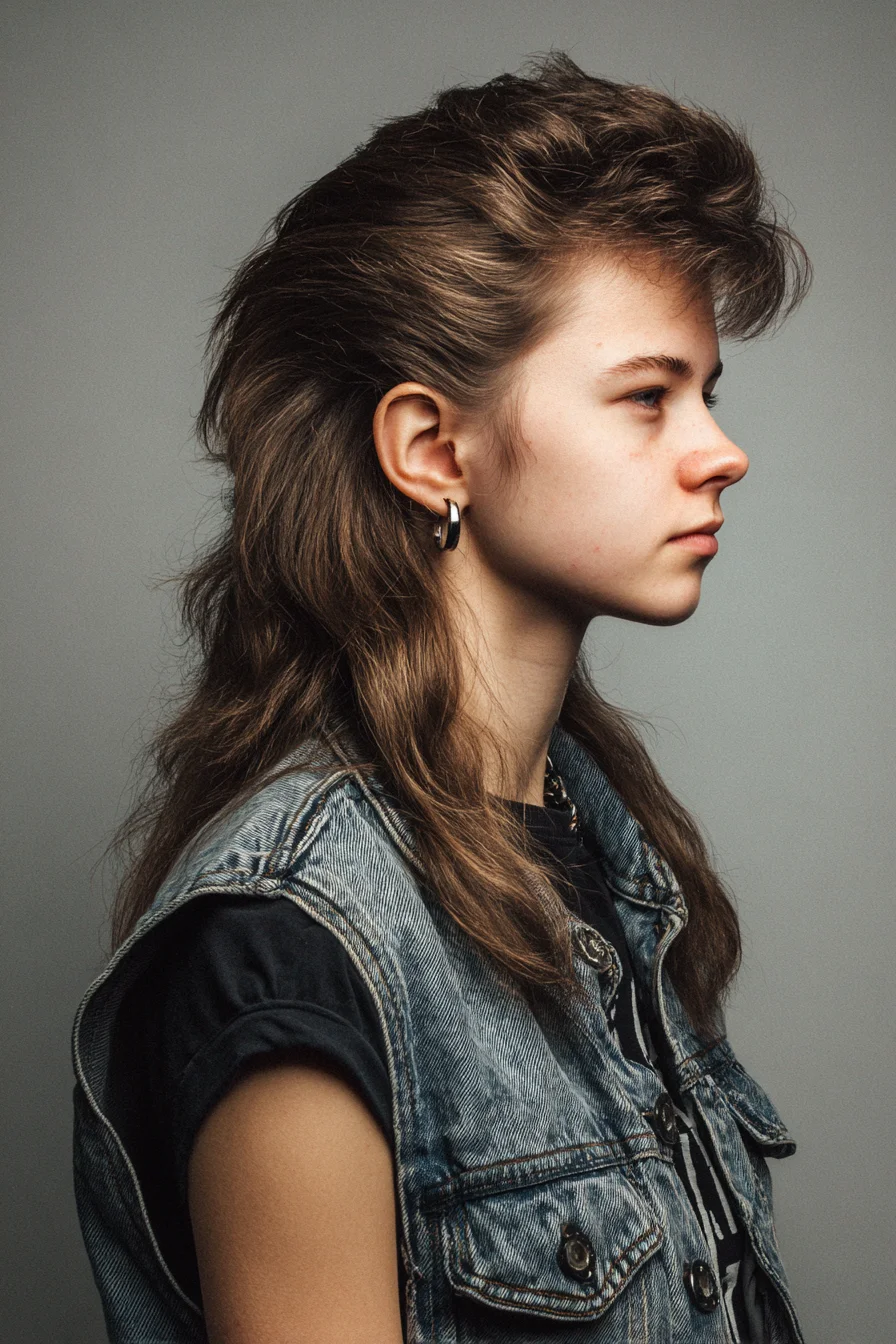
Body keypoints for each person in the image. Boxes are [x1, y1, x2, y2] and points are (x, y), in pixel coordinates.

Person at [71, 52, 812, 1344]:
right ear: (431, 448)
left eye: (708, 392)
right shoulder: (293, 945)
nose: (722, 451)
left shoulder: (603, 851)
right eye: (647, 399)